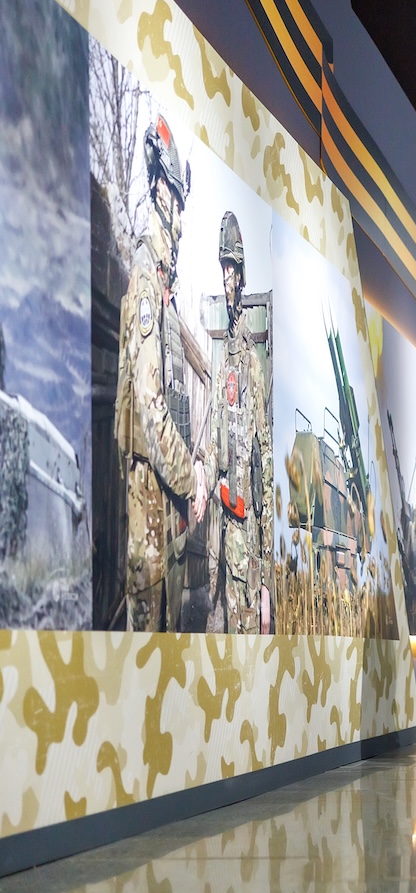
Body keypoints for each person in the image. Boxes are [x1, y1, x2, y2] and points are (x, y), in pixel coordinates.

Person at [115, 114, 207, 632]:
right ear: (160, 194)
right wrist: (191, 481)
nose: (179, 218)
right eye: (174, 197)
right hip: (148, 504)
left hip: (162, 504)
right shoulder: (146, 282)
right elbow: (150, 411)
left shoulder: (162, 287)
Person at [208, 212, 273, 634]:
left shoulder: (250, 361)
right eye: (223, 268)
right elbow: (217, 442)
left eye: (232, 268)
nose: (226, 278)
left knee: (246, 640)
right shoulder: (225, 361)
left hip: (246, 538)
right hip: (223, 532)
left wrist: (265, 574)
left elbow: (263, 462)